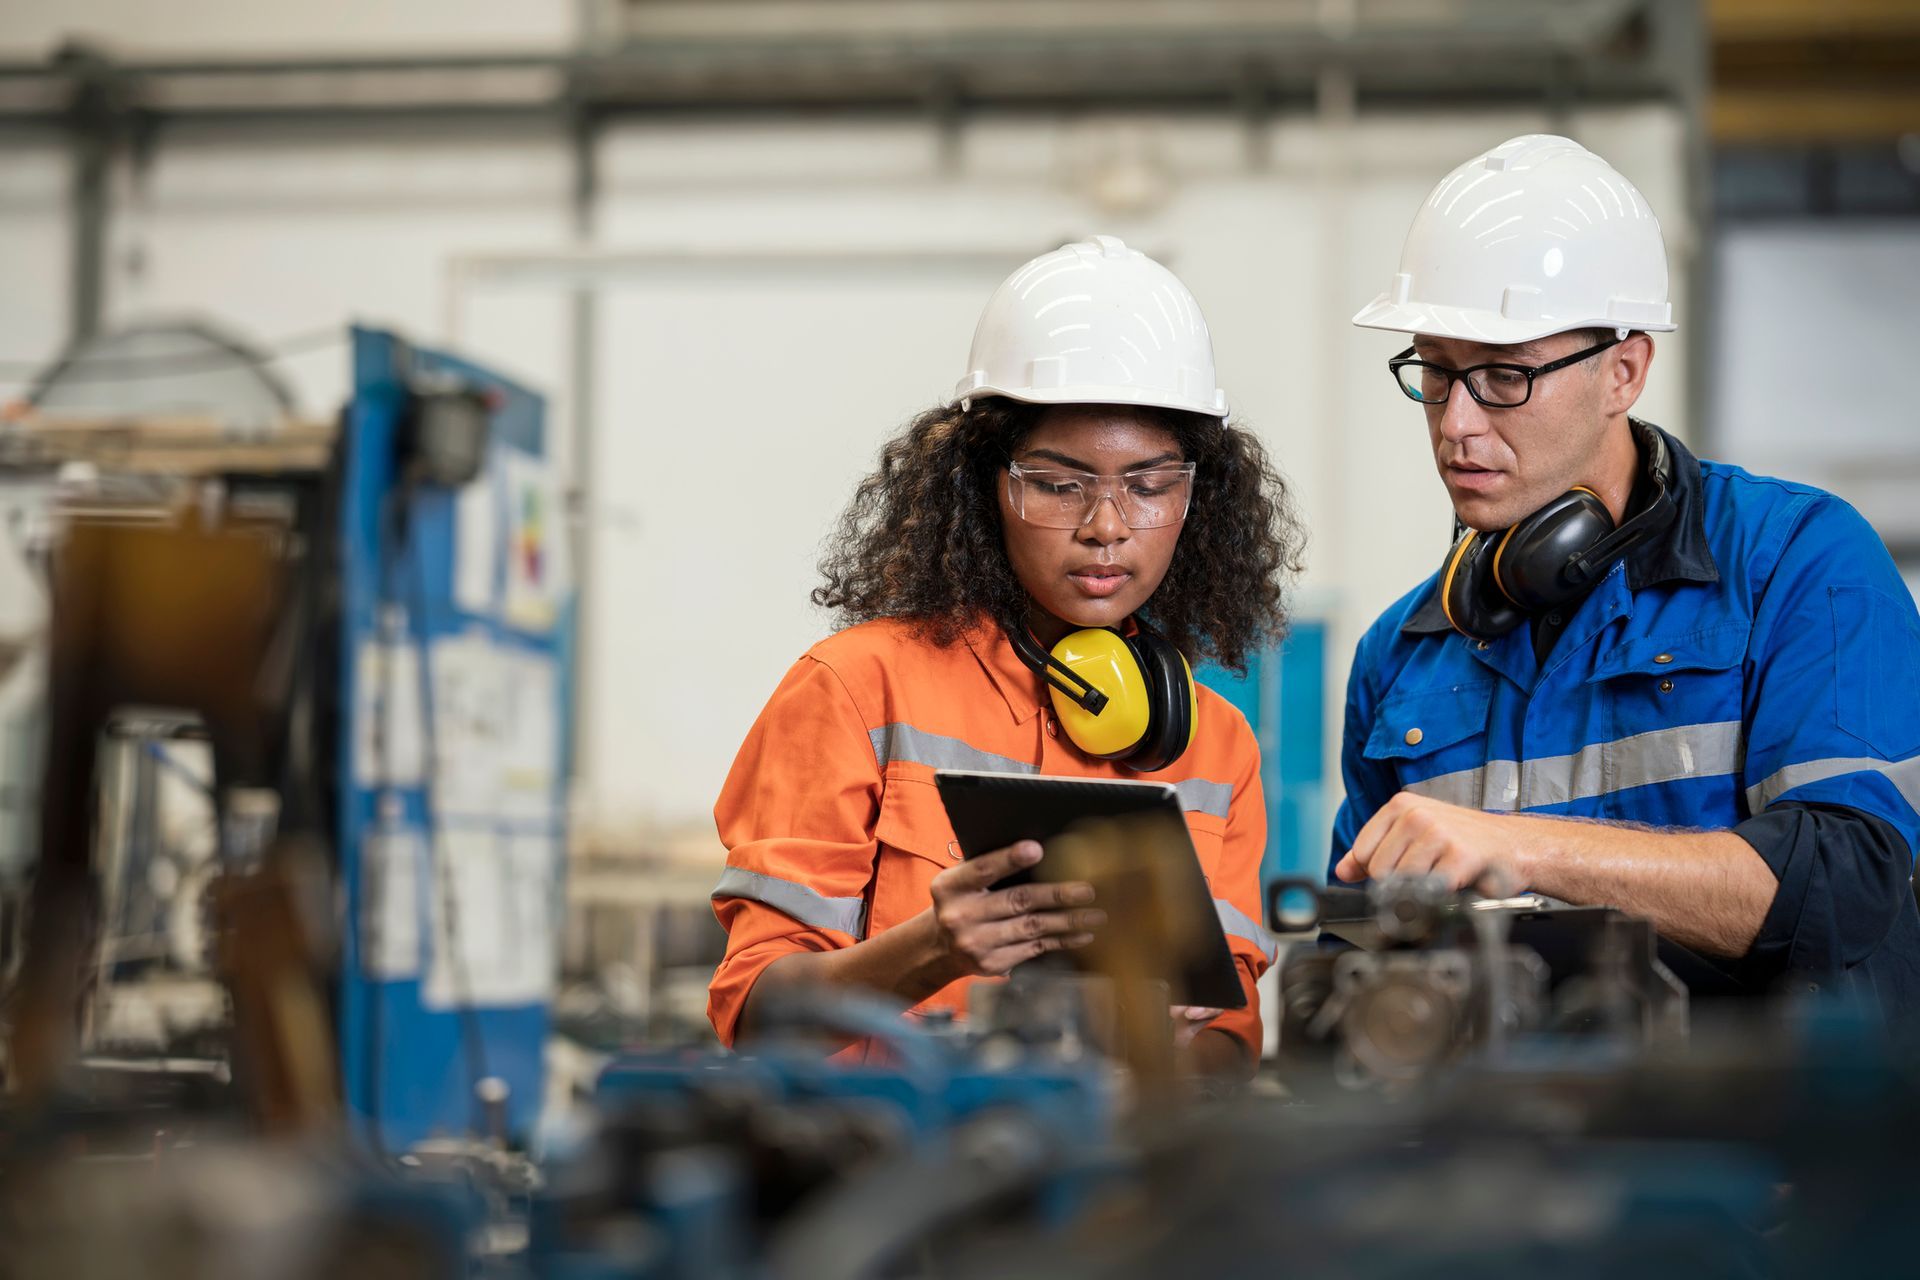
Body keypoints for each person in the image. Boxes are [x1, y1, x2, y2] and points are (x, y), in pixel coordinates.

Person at [1333, 134, 1920, 1025]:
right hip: (1496, 1154)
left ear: (1625, 371)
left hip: (1762, 1147)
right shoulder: (1403, 650)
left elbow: (1841, 889)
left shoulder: (1798, 562)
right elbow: (1358, 959)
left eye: (1502, 377)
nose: (1456, 423)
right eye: (1437, 372)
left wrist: (1522, 851)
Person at [706, 236, 1306, 1075]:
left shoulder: (1218, 748)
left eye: (1149, 483)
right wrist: (930, 950)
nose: (1106, 525)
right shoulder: (856, 689)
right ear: (985, 484)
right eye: (1060, 483)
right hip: (887, 1178)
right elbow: (756, 1013)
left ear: (1196, 498)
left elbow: (1232, 1043)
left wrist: (1165, 1048)